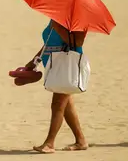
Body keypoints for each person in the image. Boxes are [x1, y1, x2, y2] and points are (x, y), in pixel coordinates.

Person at [25, 20, 88, 153]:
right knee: (67, 105)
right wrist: (35, 60)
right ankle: (81, 140)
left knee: (58, 104)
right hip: (54, 66)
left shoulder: (76, 19)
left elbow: (78, 43)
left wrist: (59, 27)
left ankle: (49, 143)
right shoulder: (57, 17)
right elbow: (49, 41)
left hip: (66, 66)